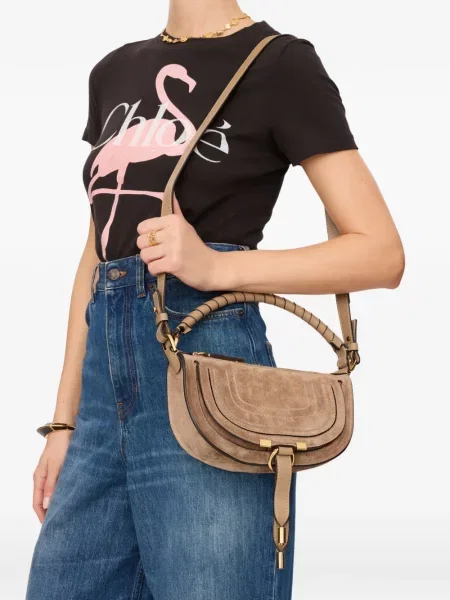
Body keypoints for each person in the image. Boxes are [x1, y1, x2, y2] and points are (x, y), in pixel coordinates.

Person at [25, 1, 405, 599]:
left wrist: (215, 267)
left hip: (209, 371)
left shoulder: (278, 63)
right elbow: (98, 252)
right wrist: (64, 421)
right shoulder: (114, 71)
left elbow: (381, 253)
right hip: (102, 396)